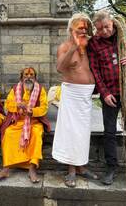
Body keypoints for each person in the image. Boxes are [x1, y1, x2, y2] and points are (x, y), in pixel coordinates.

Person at [88, 9, 126, 187]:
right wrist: (104, 93)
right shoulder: (94, 43)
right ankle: (111, 167)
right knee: (109, 132)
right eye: (100, 29)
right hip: (110, 95)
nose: (104, 31)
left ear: (111, 22)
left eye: (106, 27)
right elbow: (95, 70)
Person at [52, 13, 98, 188]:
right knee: (71, 132)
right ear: (71, 29)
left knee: (83, 132)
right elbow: (59, 68)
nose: (84, 30)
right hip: (71, 93)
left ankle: (81, 167)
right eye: (80, 27)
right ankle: (71, 170)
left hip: (86, 94)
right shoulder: (64, 47)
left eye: (86, 28)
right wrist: (74, 47)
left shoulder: (90, 46)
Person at [0, 67, 51, 183]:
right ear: (21, 77)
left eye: (31, 75)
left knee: (36, 133)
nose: (28, 77)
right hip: (18, 121)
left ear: (35, 78)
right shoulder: (15, 89)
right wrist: (18, 105)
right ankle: (6, 168)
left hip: (33, 122)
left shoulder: (40, 90)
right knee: (9, 133)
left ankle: (32, 168)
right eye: (26, 75)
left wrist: (32, 111)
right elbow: (9, 104)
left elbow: (44, 108)